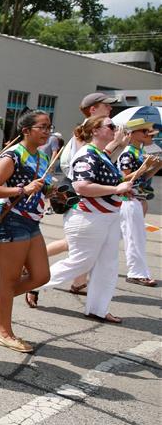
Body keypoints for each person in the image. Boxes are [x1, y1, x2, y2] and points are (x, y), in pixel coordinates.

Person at [38, 115, 133, 322]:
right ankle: (31, 283)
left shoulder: (101, 153)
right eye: (110, 126)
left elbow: (106, 168)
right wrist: (117, 188)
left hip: (107, 216)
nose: (115, 129)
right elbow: (82, 186)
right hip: (89, 216)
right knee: (81, 262)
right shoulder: (87, 154)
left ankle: (98, 308)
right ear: (95, 131)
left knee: (108, 264)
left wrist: (121, 188)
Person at [0, 111, 54, 353]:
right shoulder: (12, 156)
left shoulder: (41, 155)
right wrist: (23, 188)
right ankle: (4, 333)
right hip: (12, 222)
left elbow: (40, 189)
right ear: (26, 130)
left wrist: (50, 192)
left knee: (41, 276)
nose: (47, 131)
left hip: (32, 222)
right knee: (8, 282)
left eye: (49, 127)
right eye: (42, 127)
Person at [48, 93, 126, 294]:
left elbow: (102, 160)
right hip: (83, 203)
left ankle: (76, 282)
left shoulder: (98, 132)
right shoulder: (87, 132)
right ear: (93, 110)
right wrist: (116, 187)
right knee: (77, 251)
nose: (111, 110)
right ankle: (35, 275)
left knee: (82, 252)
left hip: (94, 206)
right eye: (107, 106)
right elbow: (88, 166)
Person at [117, 119, 158, 287]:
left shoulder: (138, 152)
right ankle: (136, 273)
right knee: (135, 238)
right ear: (132, 133)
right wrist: (144, 167)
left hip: (137, 199)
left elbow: (143, 178)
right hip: (129, 199)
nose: (148, 135)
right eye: (144, 132)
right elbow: (123, 177)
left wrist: (154, 167)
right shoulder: (127, 153)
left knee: (130, 236)